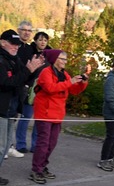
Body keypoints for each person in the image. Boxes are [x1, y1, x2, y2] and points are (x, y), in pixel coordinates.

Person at [29, 49, 88, 184]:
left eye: (65, 59)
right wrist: (70, 82)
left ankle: (42, 165)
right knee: (43, 143)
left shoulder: (64, 74)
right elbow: (50, 88)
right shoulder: (46, 72)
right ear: (55, 59)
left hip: (57, 113)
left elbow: (73, 90)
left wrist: (82, 83)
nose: (64, 62)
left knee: (52, 143)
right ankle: (36, 169)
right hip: (45, 112)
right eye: (62, 59)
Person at [0, 29, 44, 185]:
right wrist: (28, 69)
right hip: (1, 110)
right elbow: (6, 83)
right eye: (12, 43)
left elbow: (24, 77)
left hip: (11, 110)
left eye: (18, 44)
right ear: (2, 42)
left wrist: (34, 68)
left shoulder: (14, 59)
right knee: (0, 147)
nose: (16, 47)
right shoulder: (1, 60)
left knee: (5, 148)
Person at [16, 31, 52, 153]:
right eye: (40, 40)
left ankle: (35, 144)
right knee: (26, 117)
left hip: (44, 90)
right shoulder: (29, 52)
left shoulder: (50, 55)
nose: (43, 42)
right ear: (35, 41)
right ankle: (20, 143)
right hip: (30, 89)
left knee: (39, 119)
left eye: (45, 40)